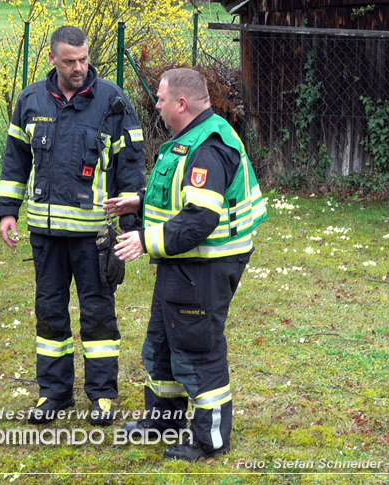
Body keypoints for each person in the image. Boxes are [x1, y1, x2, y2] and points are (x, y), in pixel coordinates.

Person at [104, 68, 267, 460]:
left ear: (181, 103)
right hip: (182, 262)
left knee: (197, 349)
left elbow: (200, 218)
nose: (155, 105)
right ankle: (164, 419)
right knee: (161, 342)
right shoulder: (187, 139)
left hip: (205, 266)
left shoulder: (208, 147)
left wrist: (146, 240)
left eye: (160, 99)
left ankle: (209, 439)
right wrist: (140, 202)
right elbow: (180, 193)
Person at [0, 26, 145, 426]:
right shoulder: (30, 100)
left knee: (98, 314)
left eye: (83, 59)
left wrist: (131, 224)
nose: (79, 68)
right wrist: (7, 210)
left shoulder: (113, 101)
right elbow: (15, 161)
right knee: (49, 313)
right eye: (69, 61)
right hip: (45, 235)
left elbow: (131, 167)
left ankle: (102, 396)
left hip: (93, 235)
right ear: (52, 59)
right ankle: (54, 394)